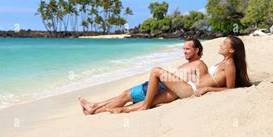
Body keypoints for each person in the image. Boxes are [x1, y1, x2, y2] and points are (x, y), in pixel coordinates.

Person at [109, 36, 252, 113]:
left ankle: (144, 107)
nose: (220, 45)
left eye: (224, 44)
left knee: (156, 71)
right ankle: (123, 110)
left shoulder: (229, 64)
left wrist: (208, 89)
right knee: (154, 100)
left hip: (191, 90)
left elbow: (231, 89)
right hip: (188, 86)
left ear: (232, 50)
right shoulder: (223, 61)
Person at [78, 38, 208, 115]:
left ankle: (94, 109)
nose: (184, 52)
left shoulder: (200, 64)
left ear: (196, 50)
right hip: (157, 86)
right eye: (183, 49)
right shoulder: (188, 64)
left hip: (159, 88)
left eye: (187, 49)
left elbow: (202, 84)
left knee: (125, 96)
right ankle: (94, 107)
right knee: (125, 95)